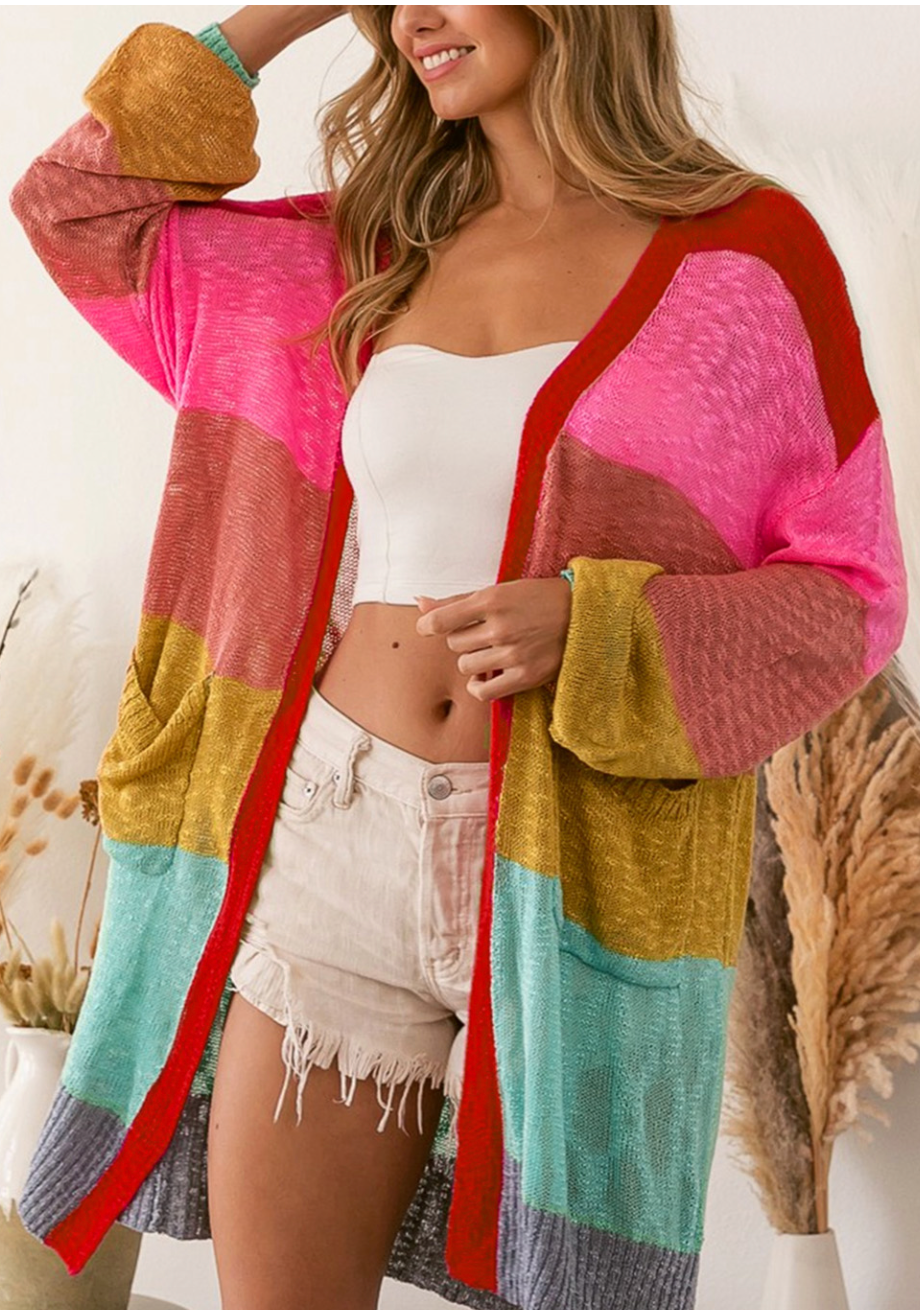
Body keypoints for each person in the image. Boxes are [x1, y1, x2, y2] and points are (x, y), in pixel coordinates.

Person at [8, 7, 908, 1310]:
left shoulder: (747, 263)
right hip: (332, 832)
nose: (412, 14)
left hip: (575, 874)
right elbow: (77, 205)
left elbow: (851, 593)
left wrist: (598, 626)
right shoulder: (358, 252)